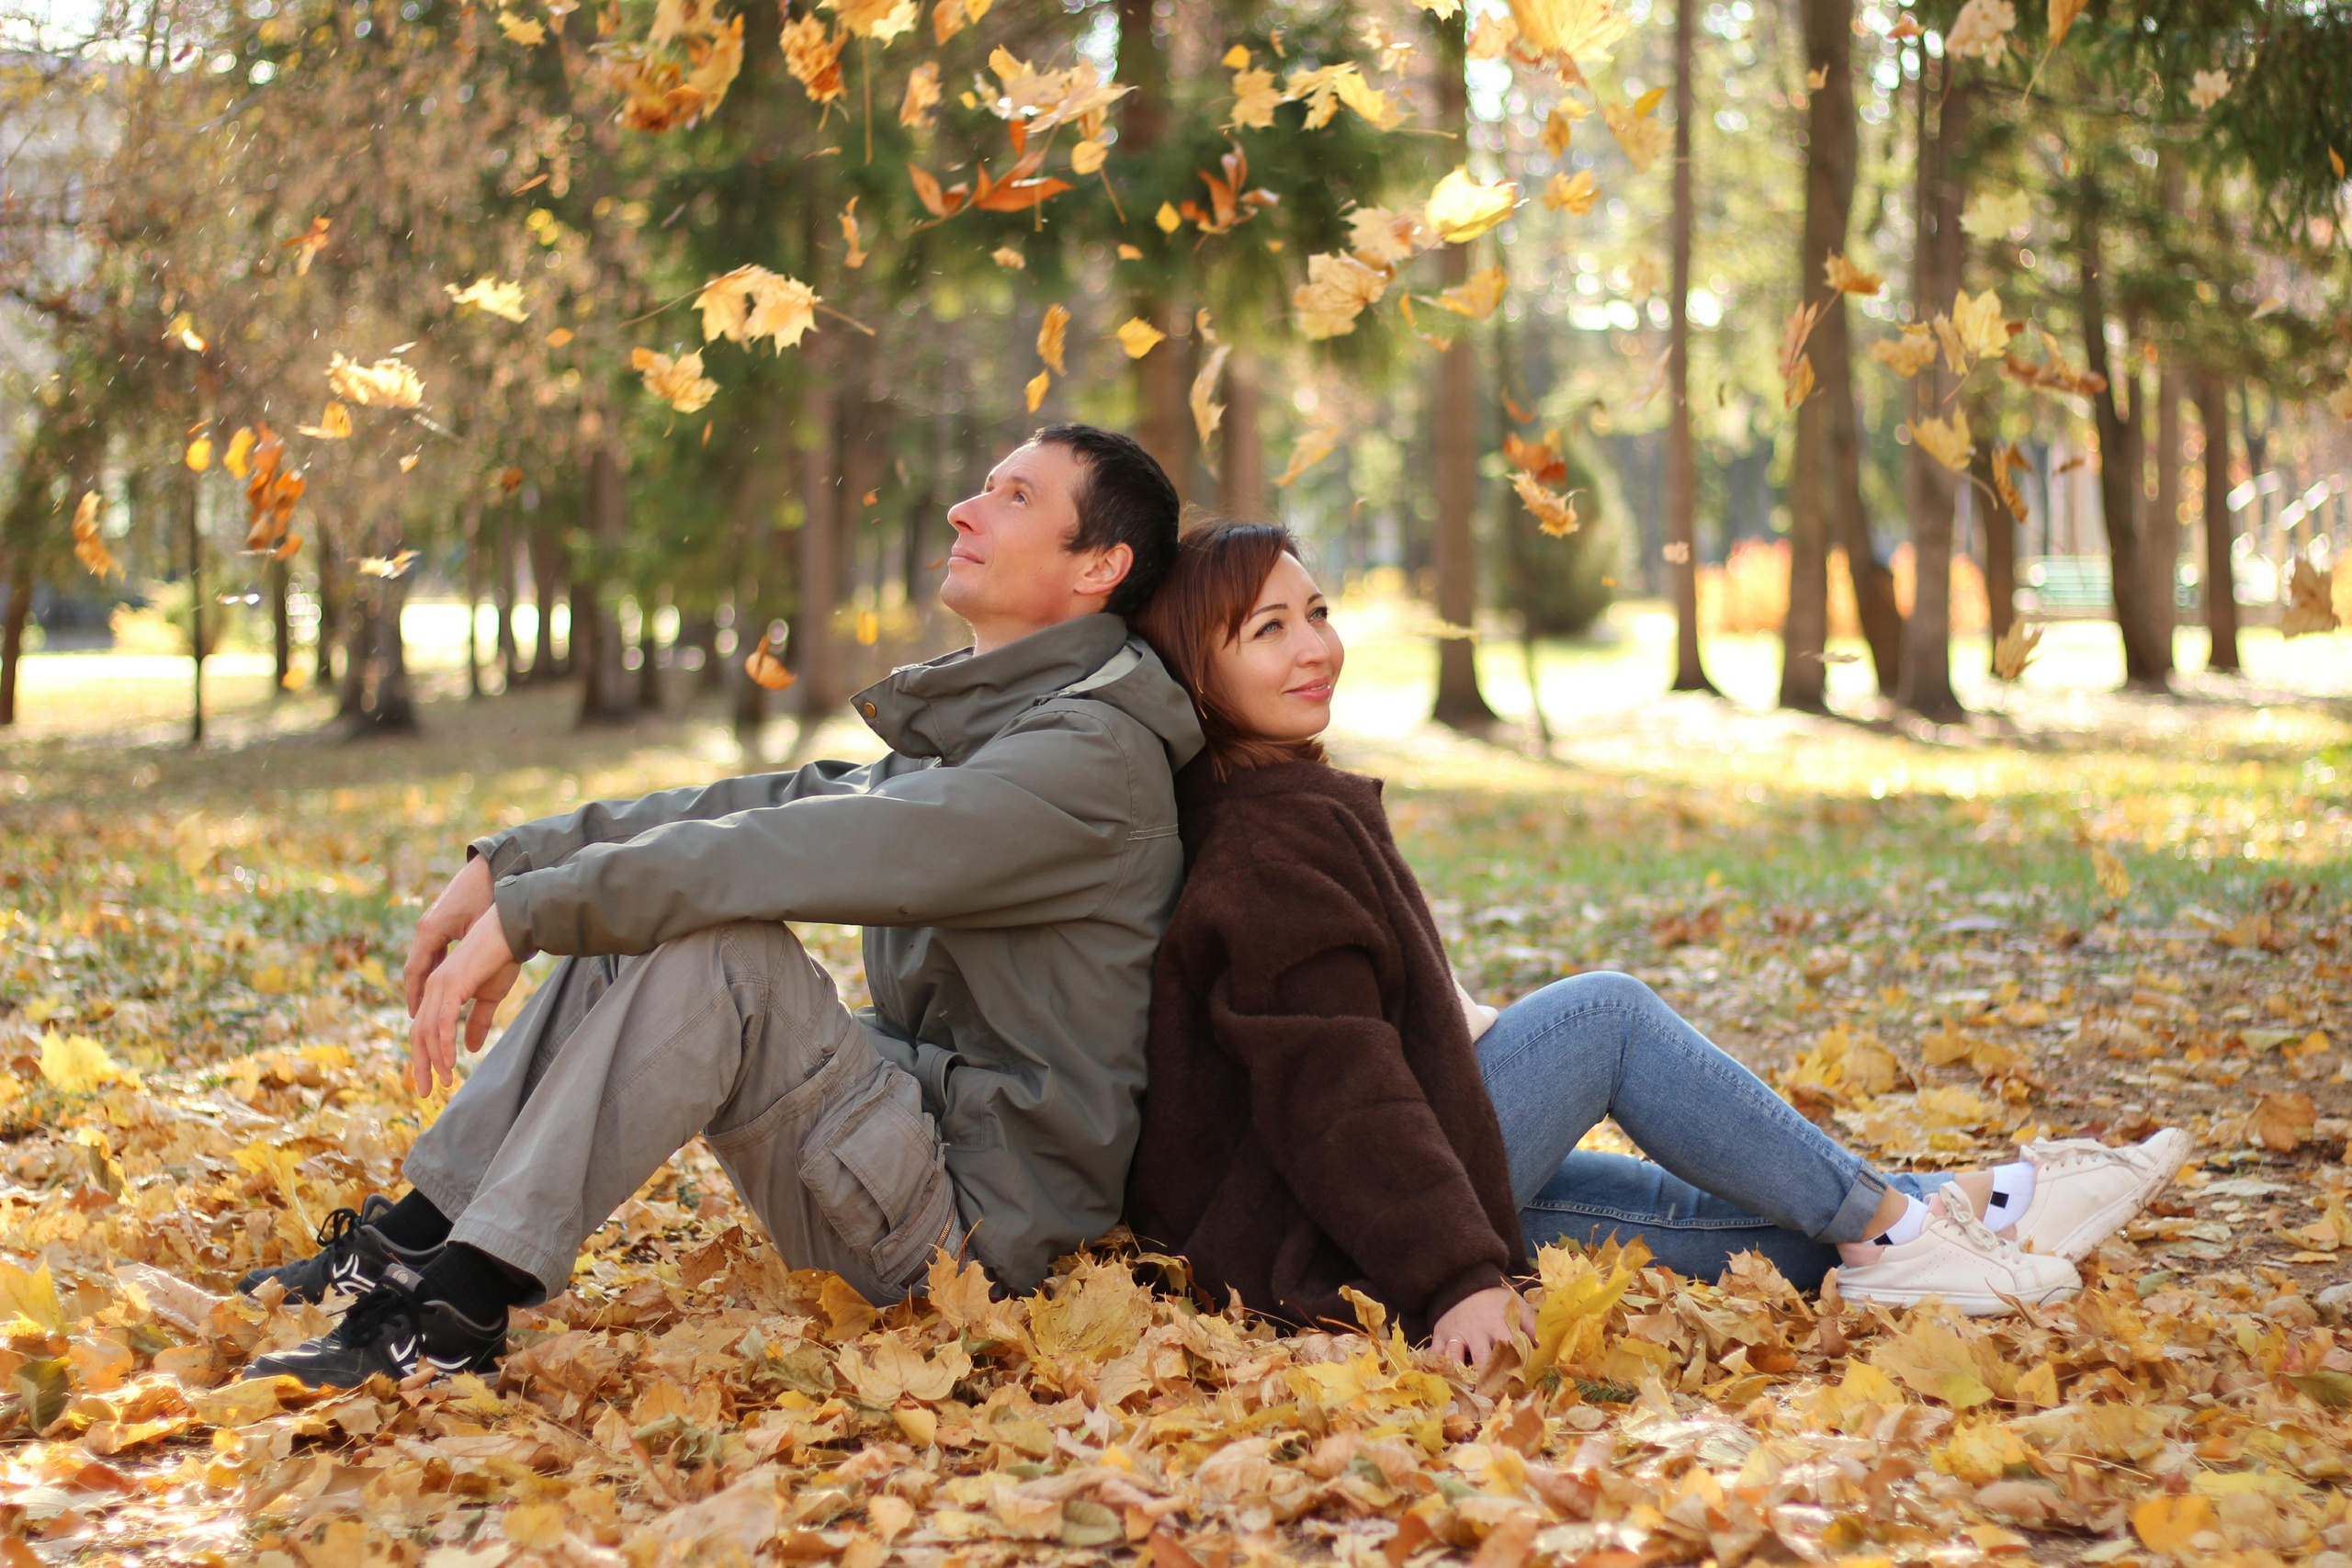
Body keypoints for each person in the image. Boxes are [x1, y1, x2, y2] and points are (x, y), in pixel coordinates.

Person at [239, 426, 1204, 1387]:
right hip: (904, 1166)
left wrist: (536, 914)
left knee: (724, 947)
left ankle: (451, 1317)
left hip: (976, 1250)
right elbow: (765, 805)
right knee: (659, 903)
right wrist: (515, 864)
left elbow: (790, 849)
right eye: (984, 484)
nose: (965, 507)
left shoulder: (1086, 763)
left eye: (1017, 497)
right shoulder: (1001, 727)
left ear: (1100, 568)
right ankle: (411, 1246)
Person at [1124, 520, 2187, 1368]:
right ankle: (1918, 1221)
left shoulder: (1264, 802)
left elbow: (1372, 1029)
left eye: (1315, 611)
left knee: (1704, 1223)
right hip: (1314, 1236)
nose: (1315, 646)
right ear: (1195, 672)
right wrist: (1457, 1277)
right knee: (1604, 1017)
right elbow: (1335, 1090)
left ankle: (1979, 1218)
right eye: (1266, 630)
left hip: (1341, 1207)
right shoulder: (1267, 841)